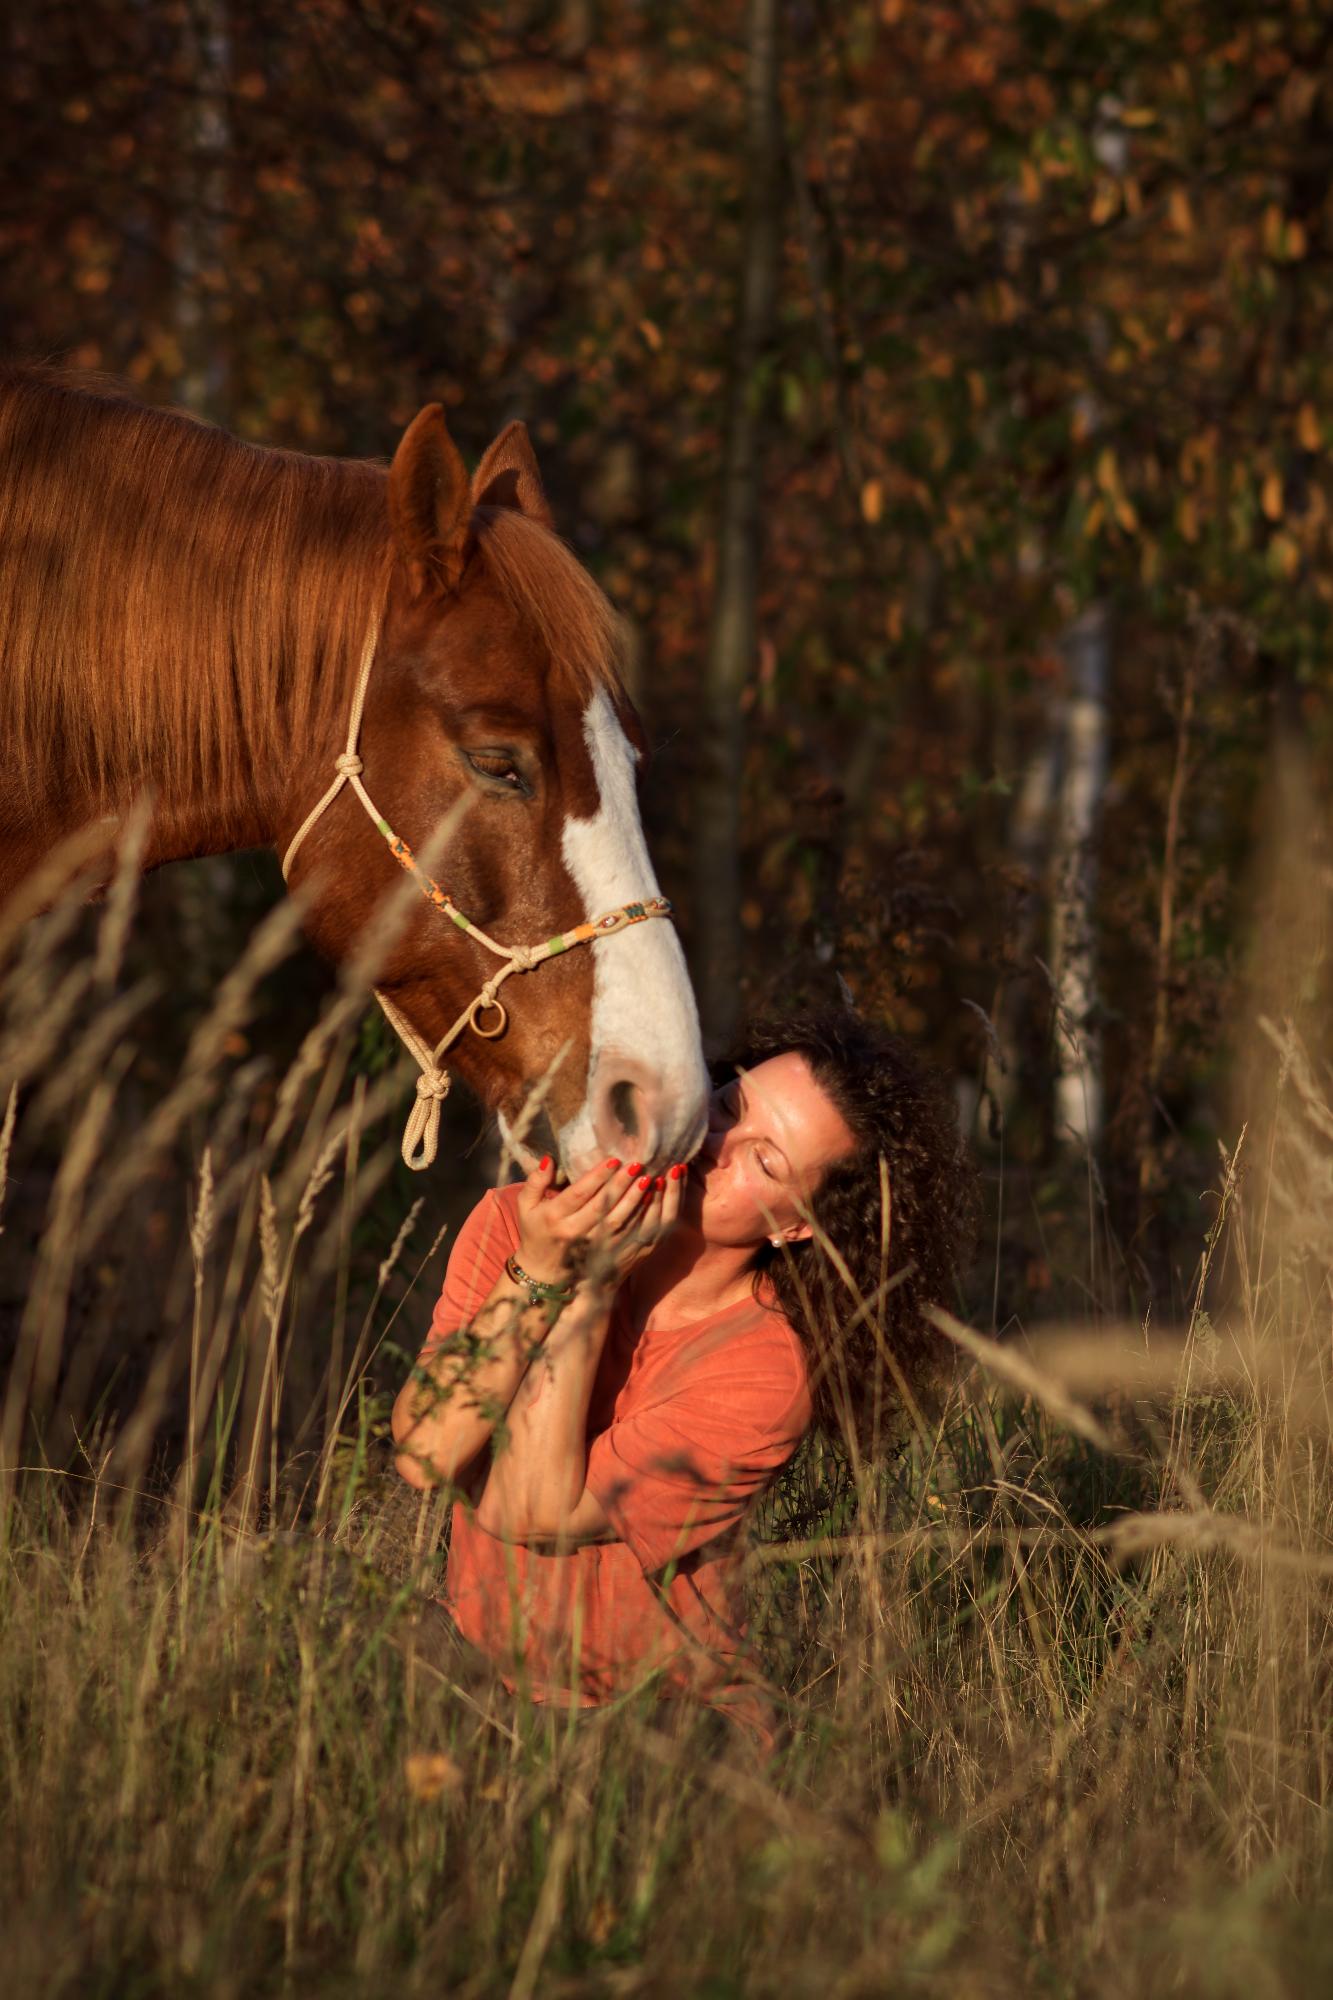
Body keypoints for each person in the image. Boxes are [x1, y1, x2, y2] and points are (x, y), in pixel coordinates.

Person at [391, 1009, 973, 1744]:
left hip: (659, 1724)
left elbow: (527, 1511)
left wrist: (585, 1285)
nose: (721, 1145)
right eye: (730, 1106)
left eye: (766, 1162)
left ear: (794, 1227)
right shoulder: (521, 1224)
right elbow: (423, 1454)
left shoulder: (763, 1371)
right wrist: (536, 1271)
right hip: (478, 1687)